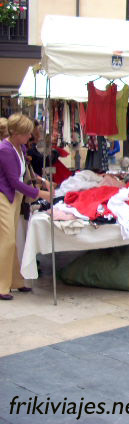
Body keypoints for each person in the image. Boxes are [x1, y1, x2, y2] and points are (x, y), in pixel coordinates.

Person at [0, 114, 51, 300]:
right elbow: (14, 181)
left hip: (12, 197)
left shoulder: (18, 147)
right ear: (17, 133)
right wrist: (40, 194)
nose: (30, 136)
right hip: (3, 197)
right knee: (7, 241)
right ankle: (2, 284)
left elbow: (25, 171)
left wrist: (42, 181)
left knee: (12, 240)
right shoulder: (5, 149)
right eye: (27, 133)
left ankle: (15, 281)